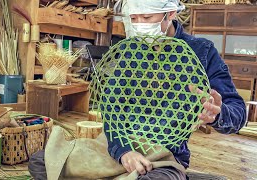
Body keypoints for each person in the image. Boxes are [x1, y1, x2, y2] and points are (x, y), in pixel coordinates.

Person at [103, 0, 246, 179]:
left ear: (170, 14)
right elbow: (111, 108)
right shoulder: (129, 51)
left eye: (147, 17)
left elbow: (238, 113)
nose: (139, 24)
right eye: (133, 18)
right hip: (123, 148)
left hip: (166, 157)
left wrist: (218, 114)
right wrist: (123, 151)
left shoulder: (201, 51)